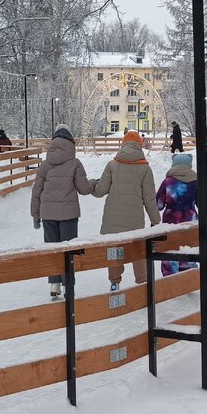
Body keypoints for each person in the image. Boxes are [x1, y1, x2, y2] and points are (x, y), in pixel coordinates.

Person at [31, 124, 96, 298]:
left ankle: (54, 285)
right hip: (68, 214)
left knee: (53, 249)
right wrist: (94, 183)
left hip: (48, 214)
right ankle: (68, 286)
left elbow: (36, 191)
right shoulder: (75, 163)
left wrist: (35, 215)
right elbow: (83, 188)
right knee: (69, 250)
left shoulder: (45, 164)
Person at [92, 130, 160, 290]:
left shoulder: (112, 164)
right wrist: (156, 221)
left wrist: (90, 186)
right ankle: (142, 284)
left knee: (115, 250)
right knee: (138, 250)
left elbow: (100, 190)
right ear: (139, 146)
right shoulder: (145, 169)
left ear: (123, 144)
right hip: (135, 221)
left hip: (112, 220)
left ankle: (114, 282)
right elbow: (150, 200)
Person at [157, 153, 200, 277]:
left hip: (170, 221)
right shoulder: (196, 181)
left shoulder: (168, 181)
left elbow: (159, 205)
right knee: (189, 248)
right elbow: (202, 203)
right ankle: (188, 278)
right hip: (190, 220)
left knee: (169, 250)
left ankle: (170, 280)